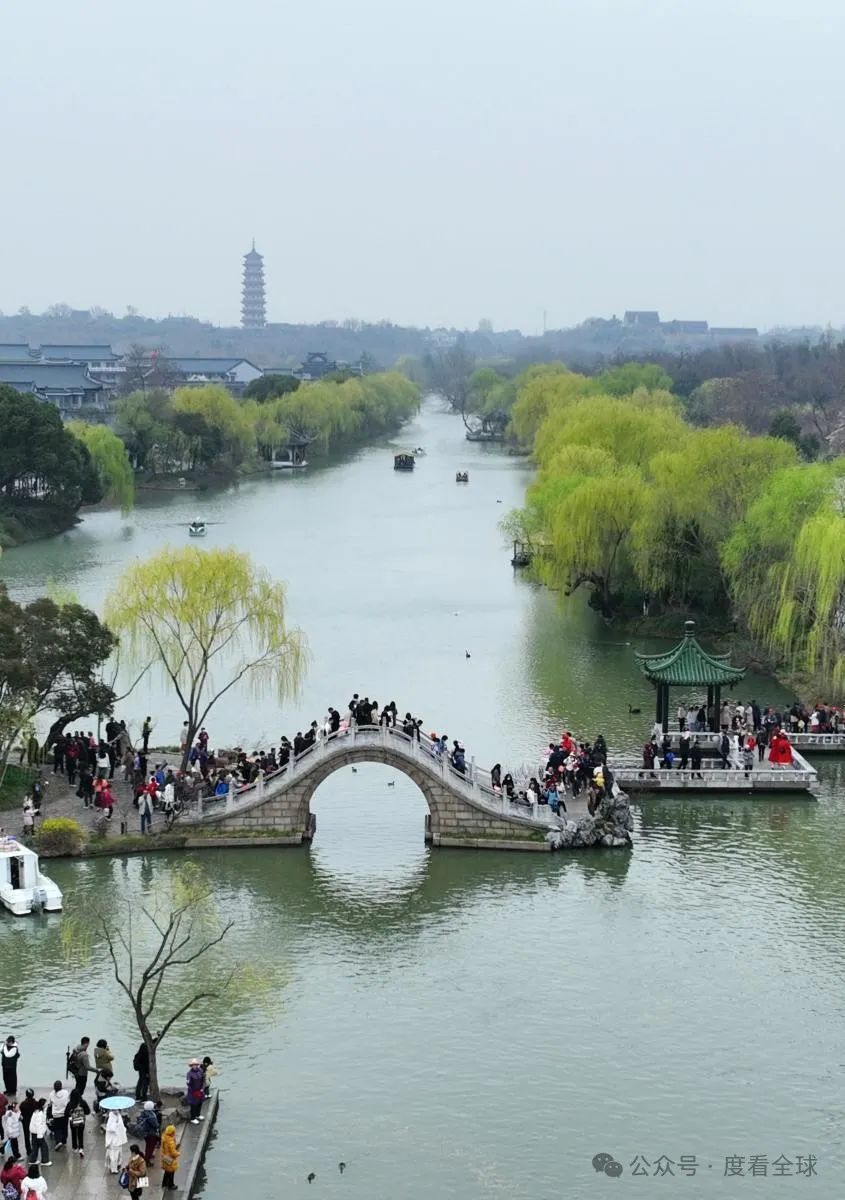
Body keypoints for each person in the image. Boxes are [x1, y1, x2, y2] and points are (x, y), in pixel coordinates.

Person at [46, 1080, 69, 1151]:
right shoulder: (65, 1092)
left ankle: (58, 1141)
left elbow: (49, 1104)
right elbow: (68, 1101)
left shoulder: (52, 1094)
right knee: (64, 1127)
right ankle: (64, 1141)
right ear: (61, 1086)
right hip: (64, 1114)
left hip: (56, 1115)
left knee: (57, 1129)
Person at [66, 1090, 89, 1158]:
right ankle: (81, 1148)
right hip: (81, 1121)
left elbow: (66, 1113)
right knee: (80, 1134)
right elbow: (88, 1111)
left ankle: (75, 1147)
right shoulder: (83, 1102)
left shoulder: (70, 1103)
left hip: (73, 1121)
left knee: (73, 1134)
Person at [27, 1099, 50, 1166]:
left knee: (35, 1147)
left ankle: (32, 1160)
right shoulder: (40, 1113)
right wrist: (40, 1135)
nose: (47, 1105)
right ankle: (45, 1161)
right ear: (43, 1105)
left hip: (34, 1132)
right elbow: (38, 1124)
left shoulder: (37, 1111)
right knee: (44, 1147)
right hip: (38, 1133)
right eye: (46, 1103)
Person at [137, 1101, 159, 1166]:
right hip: (151, 1133)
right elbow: (156, 1125)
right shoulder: (151, 1115)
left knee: (148, 1146)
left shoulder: (143, 1113)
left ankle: (146, 1158)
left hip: (145, 1133)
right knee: (150, 1148)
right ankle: (147, 1161)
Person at [160, 1125, 180, 1191]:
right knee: (171, 1172)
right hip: (170, 1158)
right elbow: (173, 1152)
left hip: (165, 1156)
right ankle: (171, 1185)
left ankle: (164, 1184)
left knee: (167, 1171)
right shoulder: (170, 1140)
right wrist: (178, 1153)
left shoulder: (164, 1137)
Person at [18, 1092, 36, 1161]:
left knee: (26, 1137)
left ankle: (28, 1151)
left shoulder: (23, 1104)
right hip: (33, 1122)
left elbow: (20, 1111)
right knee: (34, 1135)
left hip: (25, 1123)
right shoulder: (35, 1103)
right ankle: (34, 1149)